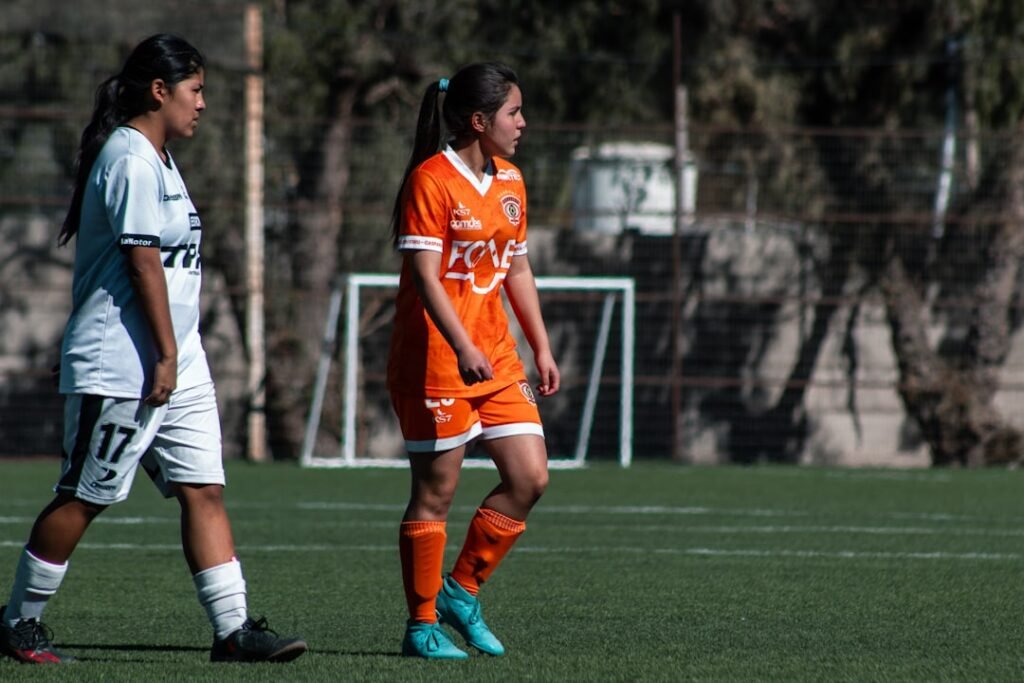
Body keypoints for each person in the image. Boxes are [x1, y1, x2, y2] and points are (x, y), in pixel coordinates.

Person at [0, 34, 306, 665]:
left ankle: (233, 631)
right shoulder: (129, 157)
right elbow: (142, 264)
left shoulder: (161, 159)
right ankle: (18, 622)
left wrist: (176, 354)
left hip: (178, 360)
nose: (203, 104)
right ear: (160, 91)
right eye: (196, 91)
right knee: (87, 494)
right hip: (128, 364)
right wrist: (162, 355)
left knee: (204, 489)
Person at [387, 62, 560, 660]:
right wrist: (462, 345)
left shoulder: (511, 181)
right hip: (436, 361)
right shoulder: (431, 180)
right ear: (480, 121)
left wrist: (540, 345)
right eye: (514, 112)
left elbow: (518, 268)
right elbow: (425, 276)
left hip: (498, 359)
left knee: (530, 478)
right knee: (435, 494)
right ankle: (421, 625)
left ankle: (460, 591)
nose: (523, 122)